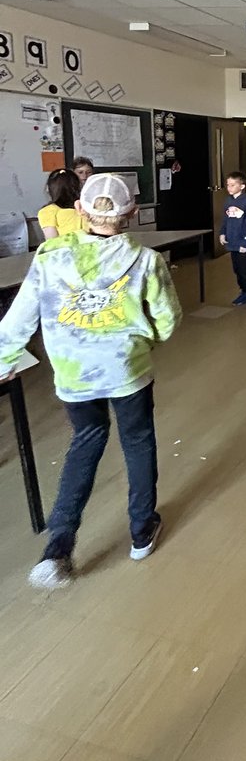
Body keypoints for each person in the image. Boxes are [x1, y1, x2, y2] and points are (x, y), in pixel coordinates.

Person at [0, 173, 182, 590]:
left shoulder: (49, 255)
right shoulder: (146, 261)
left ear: (80, 209)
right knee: (138, 442)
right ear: (131, 213)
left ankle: (58, 548)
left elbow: (19, 318)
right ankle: (141, 531)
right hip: (127, 371)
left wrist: (4, 359)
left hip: (73, 373)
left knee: (85, 442)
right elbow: (168, 320)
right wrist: (146, 341)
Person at [219, 170, 246, 309]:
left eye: (233, 185)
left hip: (245, 245)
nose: (229, 187)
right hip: (233, 243)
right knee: (237, 270)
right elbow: (225, 219)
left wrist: (245, 243)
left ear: (242, 186)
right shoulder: (228, 201)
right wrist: (222, 233)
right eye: (228, 184)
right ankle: (244, 292)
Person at [37, 168, 83, 240]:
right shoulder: (87, 208)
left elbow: (52, 241)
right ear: (78, 187)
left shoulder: (47, 212)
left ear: (49, 189)